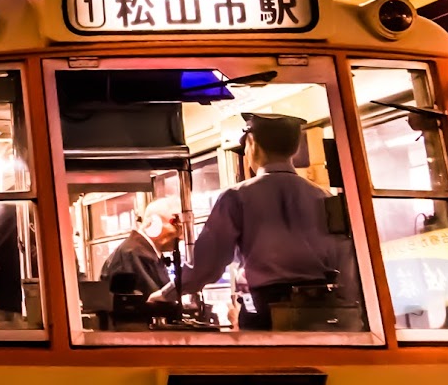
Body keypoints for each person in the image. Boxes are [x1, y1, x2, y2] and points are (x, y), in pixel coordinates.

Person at [153, 113, 345, 331]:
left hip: (264, 309)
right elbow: (344, 258)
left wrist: (164, 295)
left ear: (252, 144)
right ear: (295, 149)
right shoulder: (324, 196)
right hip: (321, 309)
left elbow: (207, 266)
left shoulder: (237, 196)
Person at [100, 200, 178, 297]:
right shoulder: (133, 254)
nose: (179, 233)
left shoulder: (143, 252)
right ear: (154, 223)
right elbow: (152, 299)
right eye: (175, 224)